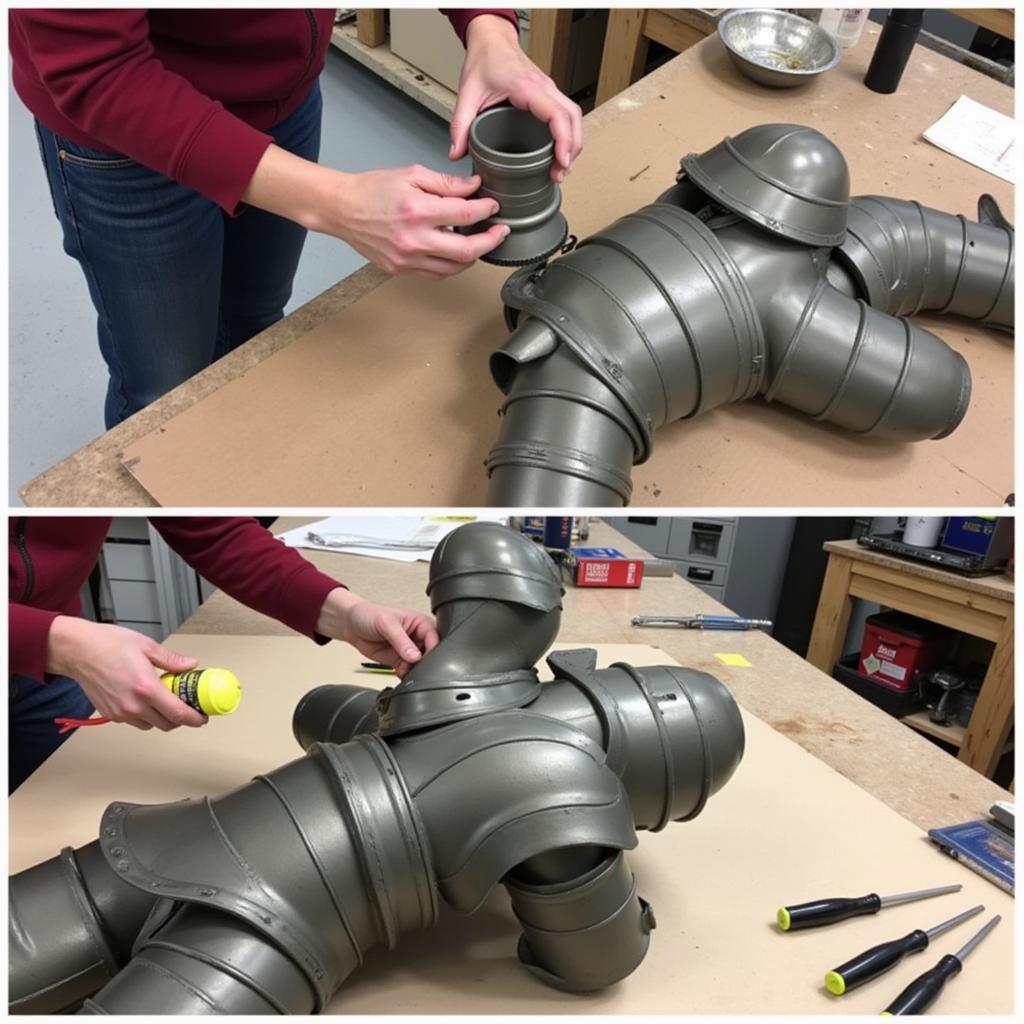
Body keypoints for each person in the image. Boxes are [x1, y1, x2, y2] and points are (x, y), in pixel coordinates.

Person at [9, 9, 584, 426]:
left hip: (280, 97)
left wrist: (489, 29)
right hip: (127, 145)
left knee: (256, 323)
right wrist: (334, 203)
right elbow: (96, 67)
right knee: (163, 391)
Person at [8, 516, 439, 792]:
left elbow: (214, 533)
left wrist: (344, 612)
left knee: (50, 815)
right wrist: (62, 644)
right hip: (57, 649)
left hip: (46, 672)